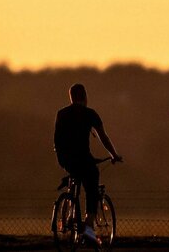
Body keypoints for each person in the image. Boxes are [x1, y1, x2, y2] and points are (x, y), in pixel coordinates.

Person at [54, 83, 122, 243]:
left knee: (75, 175)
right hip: (83, 158)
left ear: (71, 97)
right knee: (92, 184)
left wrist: (62, 158)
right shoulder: (90, 114)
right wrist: (114, 155)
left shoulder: (61, 114)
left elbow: (56, 139)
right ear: (85, 96)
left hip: (65, 159)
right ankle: (88, 227)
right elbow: (103, 137)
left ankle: (70, 214)